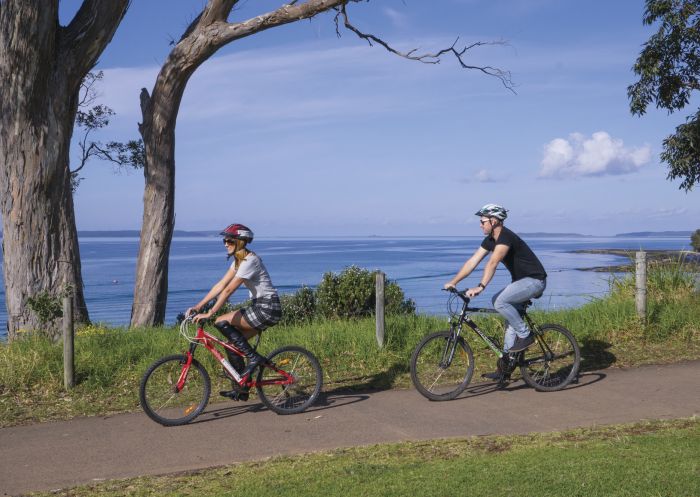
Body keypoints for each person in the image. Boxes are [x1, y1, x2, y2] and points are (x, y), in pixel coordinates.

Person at [444, 204, 547, 378]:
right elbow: (473, 261)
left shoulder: (506, 237)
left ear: (494, 221)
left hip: (535, 281)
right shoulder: (490, 240)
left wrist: (481, 286)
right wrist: (453, 282)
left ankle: (526, 335)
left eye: (483, 221)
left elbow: (492, 263)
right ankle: (506, 368)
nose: (480, 224)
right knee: (510, 323)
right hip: (521, 282)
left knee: (499, 301)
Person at [188, 223, 282, 400]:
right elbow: (220, 285)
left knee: (220, 321)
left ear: (241, 241)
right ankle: (242, 389)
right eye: (224, 240)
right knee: (232, 346)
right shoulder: (238, 262)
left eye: (229, 240)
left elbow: (228, 291)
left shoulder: (249, 261)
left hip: (267, 307)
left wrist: (210, 313)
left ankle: (254, 359)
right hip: (260, 307)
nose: (225, 243)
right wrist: (198, 306)